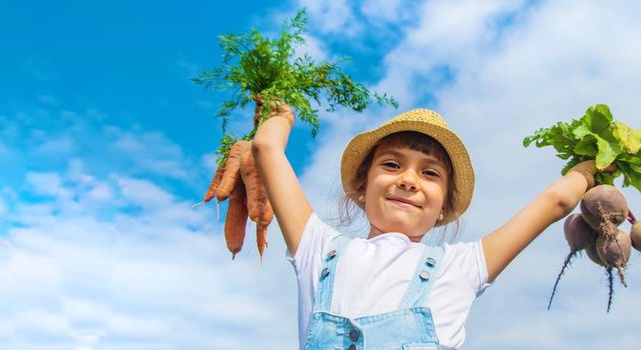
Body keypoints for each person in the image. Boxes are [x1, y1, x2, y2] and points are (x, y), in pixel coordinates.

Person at [251, 102, 604, 349]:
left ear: (444, 206)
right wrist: (281, 112)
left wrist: (594, 166)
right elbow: (266, 148)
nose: (408, 180)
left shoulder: (461, 266)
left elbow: (556, 202)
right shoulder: (319, 248)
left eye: (429, 173)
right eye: (391, 165)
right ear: (362, 186)